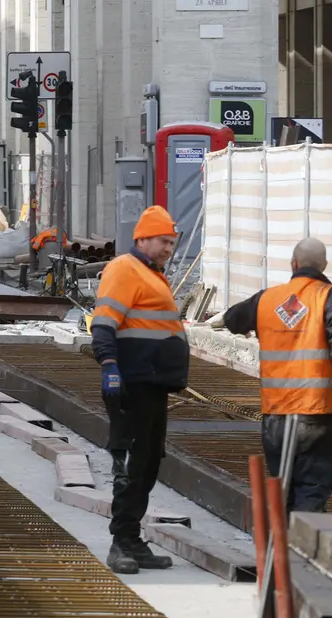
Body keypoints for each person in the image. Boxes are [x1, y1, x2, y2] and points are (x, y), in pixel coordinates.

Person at [213, 237, 332, 513]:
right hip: (318, 414)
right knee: (311, 494)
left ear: (293, 264)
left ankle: (285, 539)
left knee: (284, 494)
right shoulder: (331, 297)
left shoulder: (267, 298)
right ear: (324, 266)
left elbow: (232, 319)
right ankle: (301, 539)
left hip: (276, 416)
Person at [90, 205, 188, 575]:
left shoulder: (152, 274)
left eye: (172, 243)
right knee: (130, 465)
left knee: (147, 463)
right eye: (164, 241)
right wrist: (109, 365)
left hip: (153, 383)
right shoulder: (125, 269)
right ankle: (121, 543)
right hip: (133, 382)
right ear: (143, 238)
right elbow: (104, 323)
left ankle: (132, 538)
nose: (169, 249)